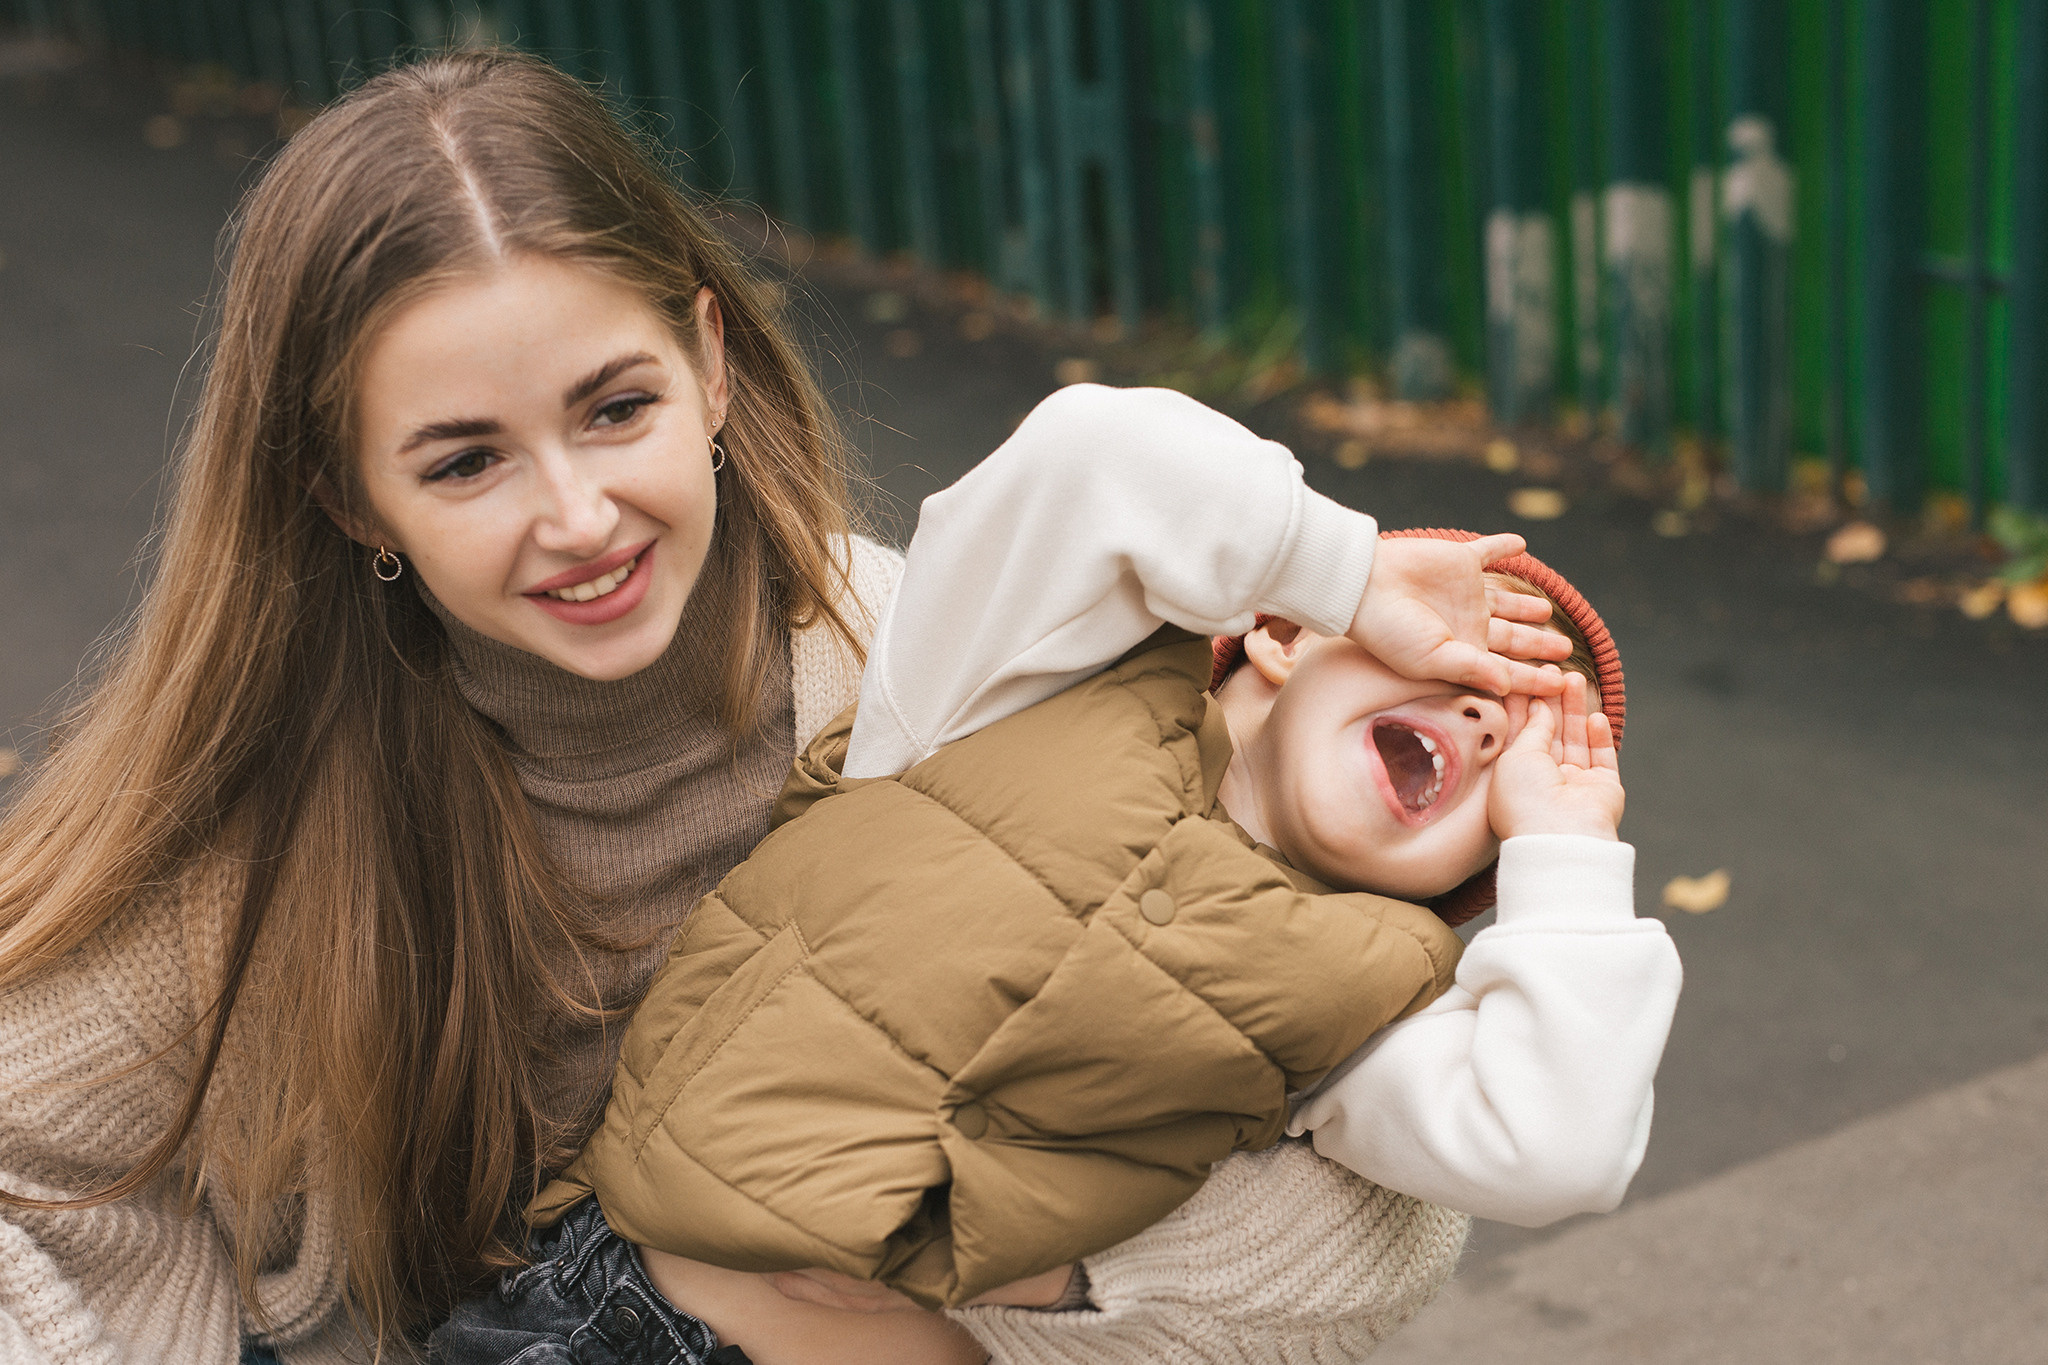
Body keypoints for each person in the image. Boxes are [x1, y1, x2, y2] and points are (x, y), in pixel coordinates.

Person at [0, 51, 1576, 1365]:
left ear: (708, 362)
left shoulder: (937, 663)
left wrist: (974, 1268)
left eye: (615, 408)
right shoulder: (269, 842)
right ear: (351, 500)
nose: (578, 517)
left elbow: (1386, 1221)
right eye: (467, 460)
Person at [514, 387, 1683, 1361]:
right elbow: (1086, 458)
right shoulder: (1017, 687)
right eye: (1465, 662)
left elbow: (1556, 1149)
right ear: (1282, 634)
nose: (1481, 720)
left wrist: (1568, 855)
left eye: (1521, 759)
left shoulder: (1357, 1005)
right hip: (587, 1308)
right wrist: (1343, 570)